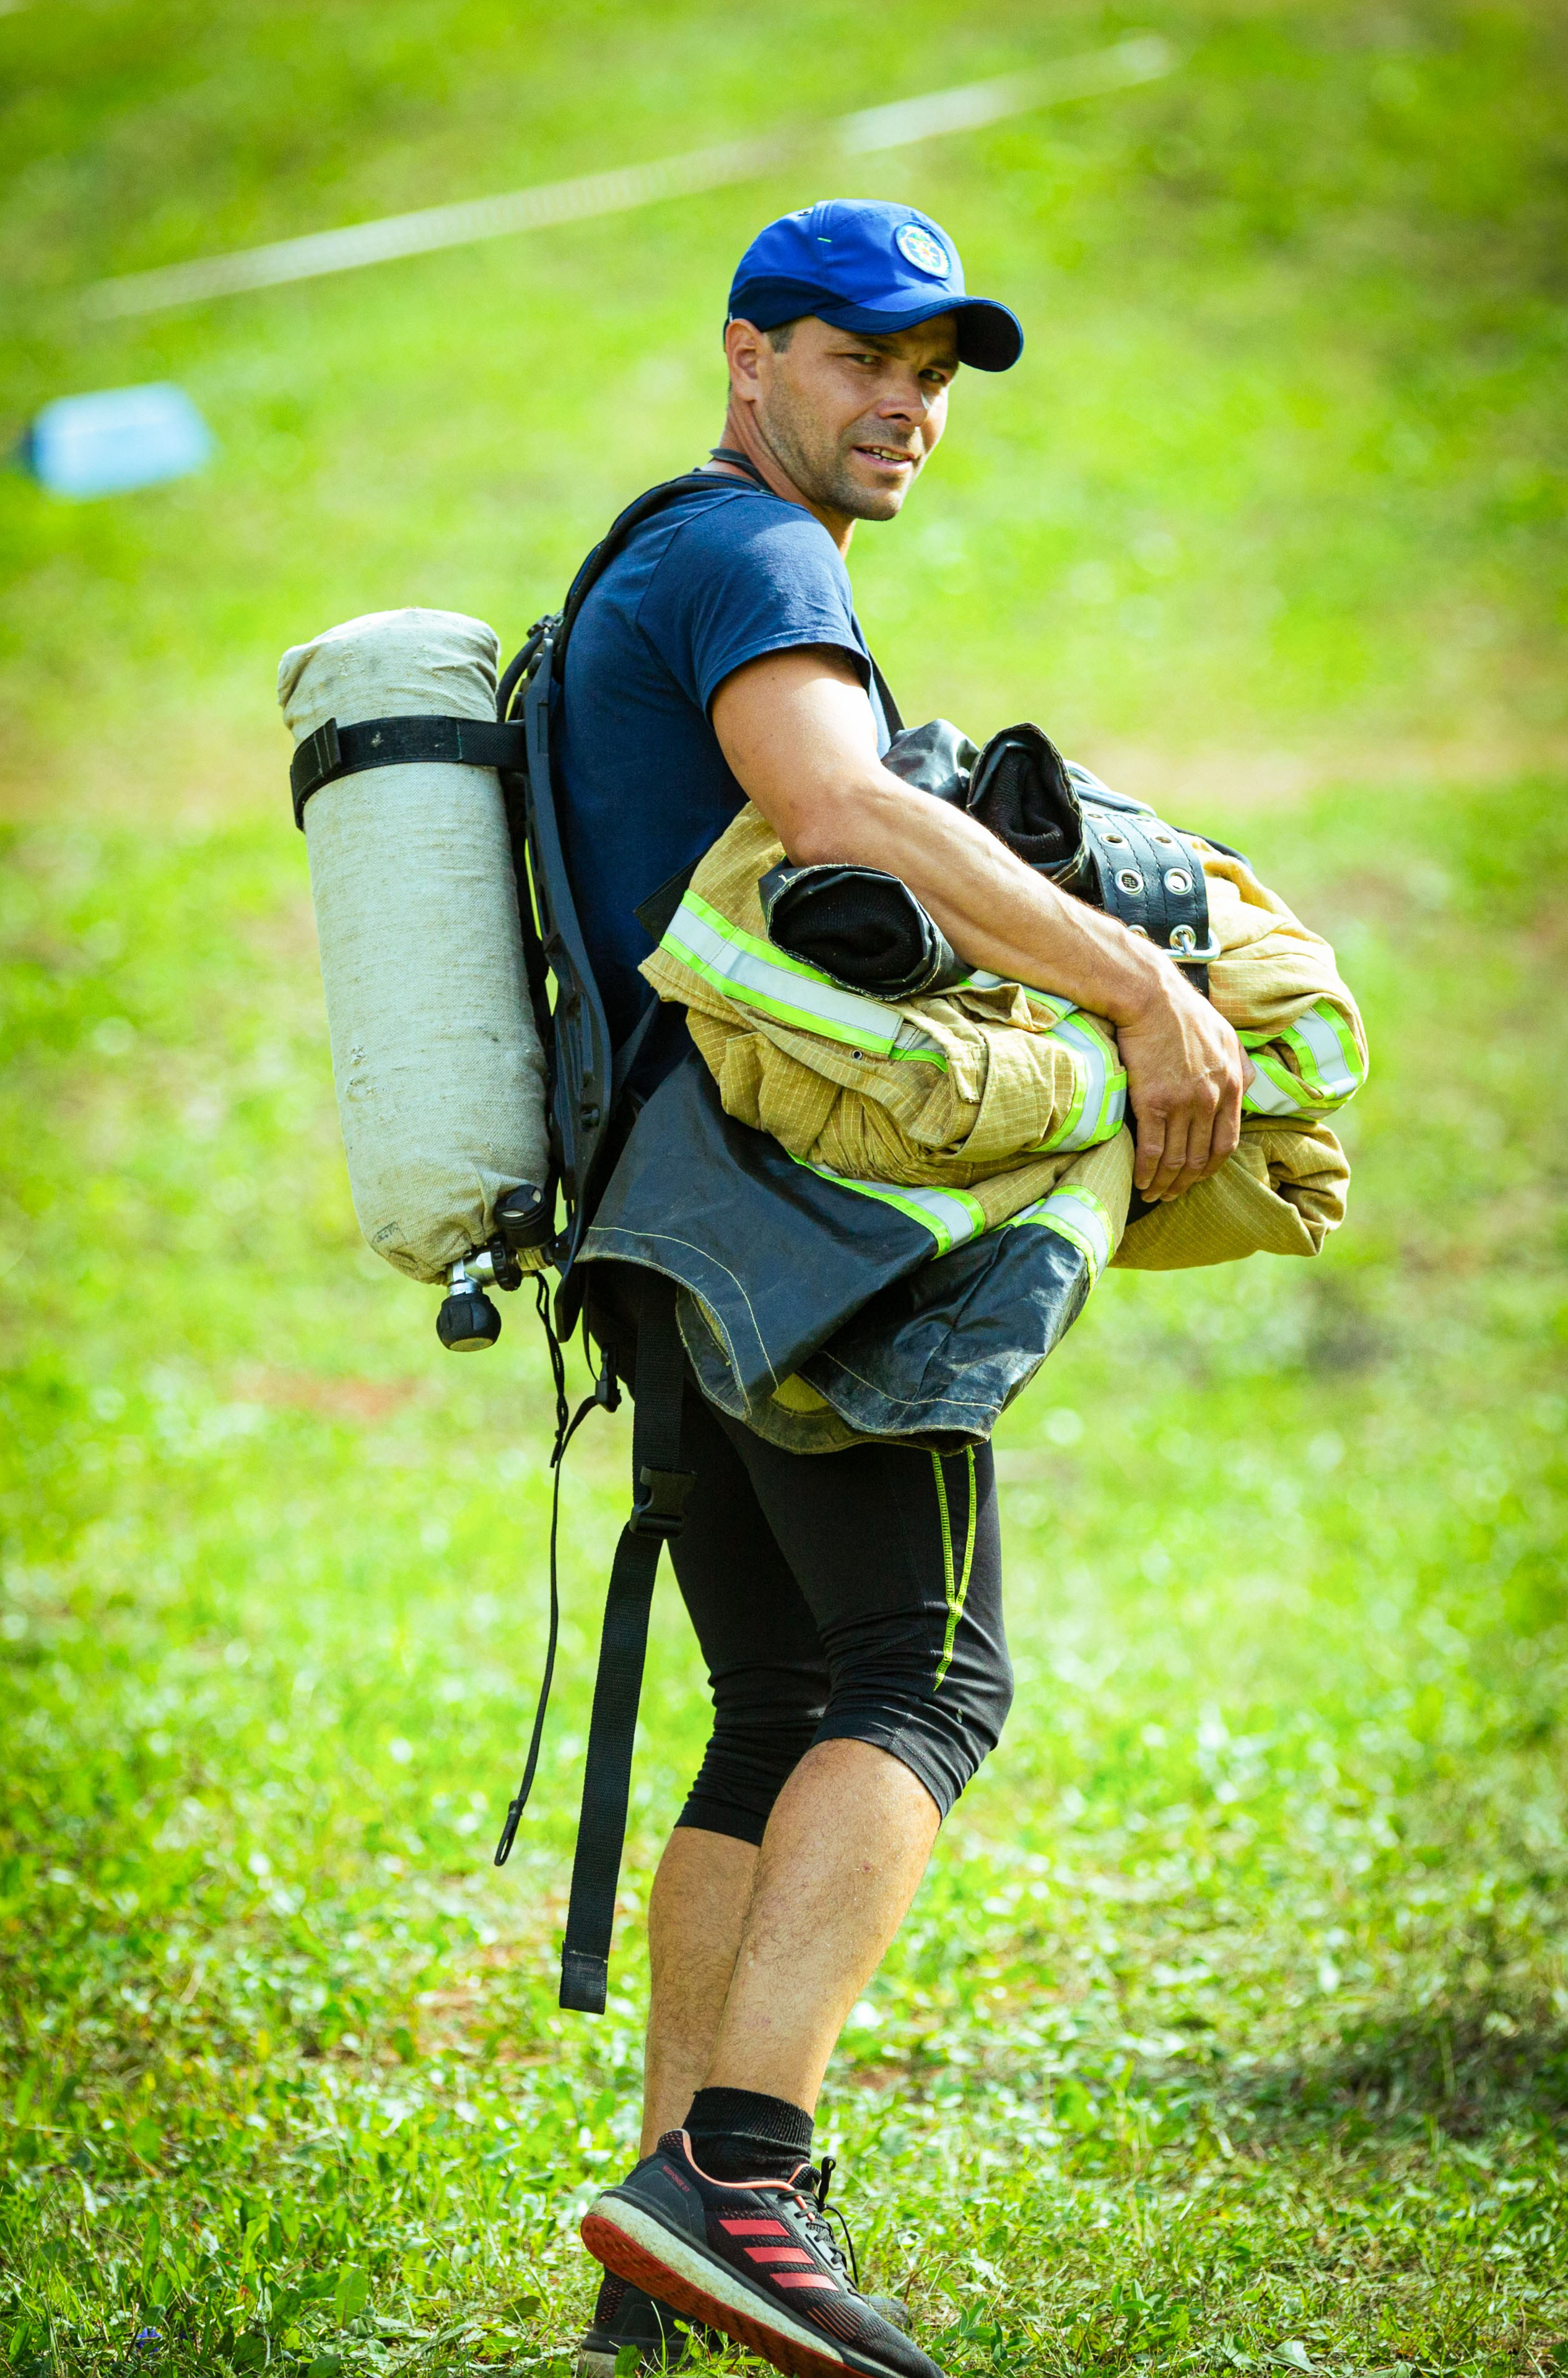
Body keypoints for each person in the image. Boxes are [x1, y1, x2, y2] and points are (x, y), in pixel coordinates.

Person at [558, 199, 1247, 2378]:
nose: (907, 408)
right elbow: (833, 804)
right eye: (866, 360)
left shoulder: (645, 559)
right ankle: (739, 2183)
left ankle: (650, 2265)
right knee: (928, 1679)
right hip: (796, 1227)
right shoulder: (755, 560)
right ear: (749, 354)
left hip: (660, 1226)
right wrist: (1141, 985)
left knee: (778, 1703)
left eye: (937, 377)